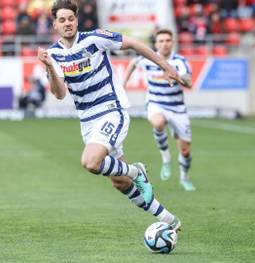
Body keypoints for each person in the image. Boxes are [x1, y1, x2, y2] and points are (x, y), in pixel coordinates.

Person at [37, 0, 184, 231]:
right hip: (87, 121)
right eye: (62, 20)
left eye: (71, 19)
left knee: (91, 162)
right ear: (54, 25)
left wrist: (164, 64)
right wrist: (48, 68)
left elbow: (134, 43)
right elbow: (59, 94)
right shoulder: (53, 55)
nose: (67, 23)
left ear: (77, 20)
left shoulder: (95, 38)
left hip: (110, 110)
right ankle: (169, 219)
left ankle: (137, 171)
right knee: (119, 182)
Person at [123, 29, 197, 192]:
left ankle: (184, 177)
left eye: (168, 40)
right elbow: (132, 63)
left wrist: (176, 76)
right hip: (156, 103)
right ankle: (166, 157)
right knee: (158, 123)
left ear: (172, 42)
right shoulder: (148, 58)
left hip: (177, 109)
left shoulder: (180, 61)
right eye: (161, 41)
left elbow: (189, 83)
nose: (164, 44)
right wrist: (123, 85)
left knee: (185, 150)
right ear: (156, 44)